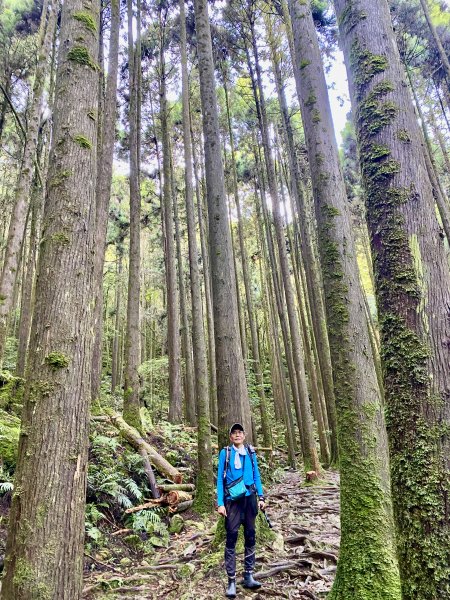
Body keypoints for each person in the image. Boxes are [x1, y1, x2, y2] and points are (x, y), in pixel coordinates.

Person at [216, 423, 266, 598]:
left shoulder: (250, 452)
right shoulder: (226, 453)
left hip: (250, 499)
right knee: (231, 536)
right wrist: (220, 503)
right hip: (232, 501)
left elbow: (257, 475)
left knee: (250, 535)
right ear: (231, 437)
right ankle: (231, 580)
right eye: (234, 433)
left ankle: (248, 575)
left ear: (244, 436)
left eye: (240, 433)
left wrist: (261, 497)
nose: (237, 435)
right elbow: (219, 480)